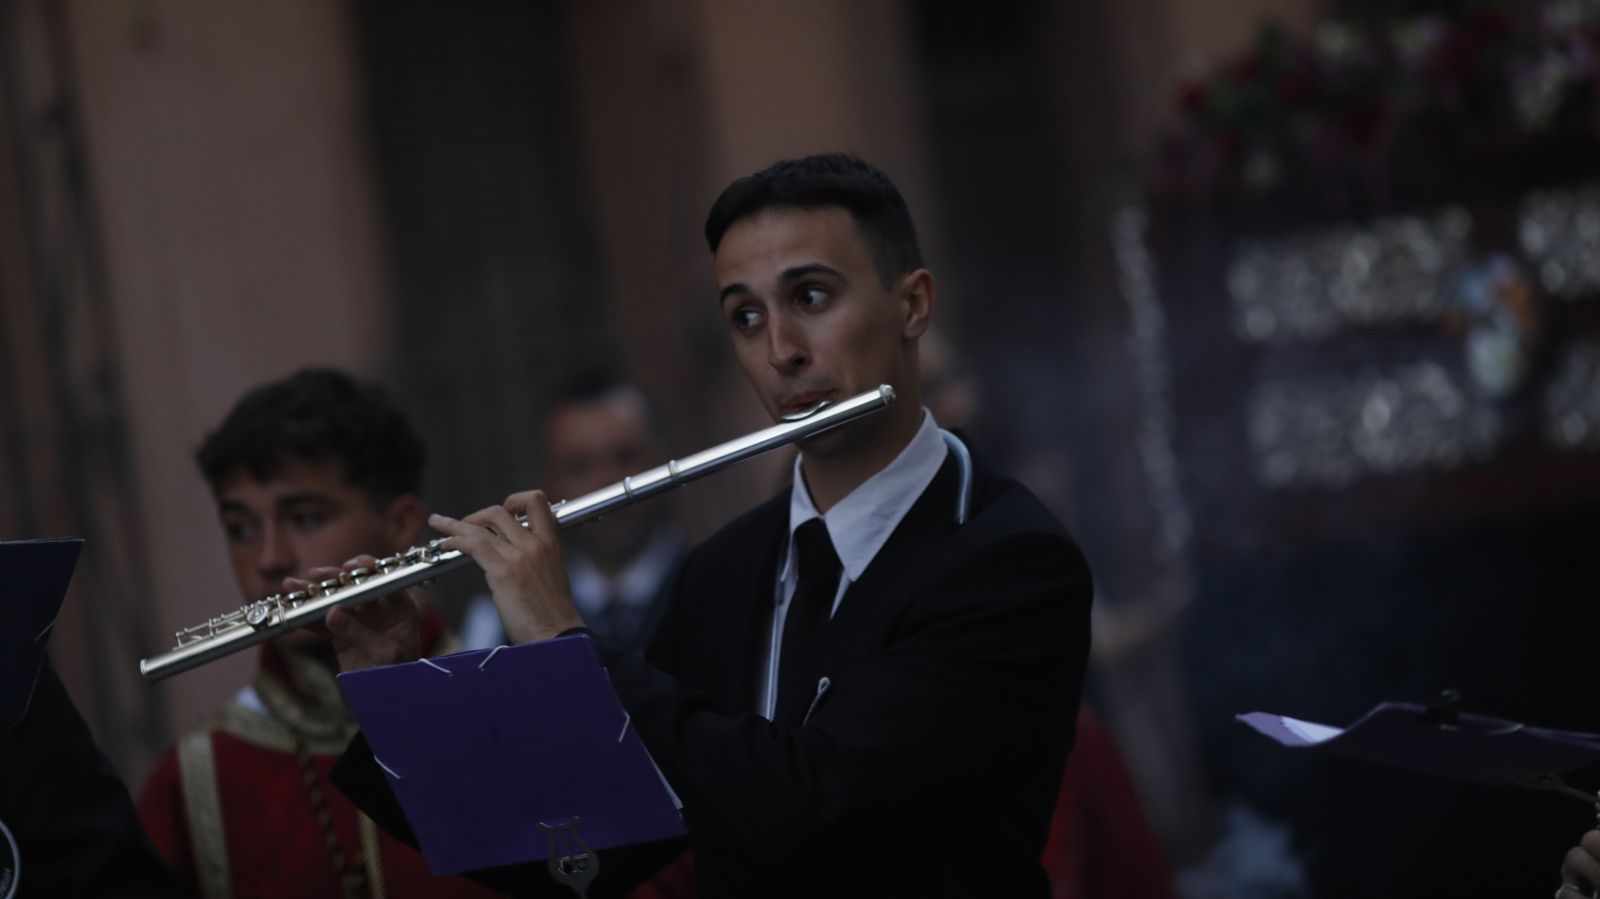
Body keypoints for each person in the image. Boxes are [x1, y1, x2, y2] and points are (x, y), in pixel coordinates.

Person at [325, 154, 1094, 897]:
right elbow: (584, 853)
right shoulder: (725, 572)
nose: (781, 352)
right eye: (746, 316)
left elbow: (808, 805)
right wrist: (397, 691)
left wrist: (569, 643)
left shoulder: (1010, 560)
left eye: (813, 298)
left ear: (913, 304)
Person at [136, 369, 497, 899]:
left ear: (400, 524)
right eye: (240, 528)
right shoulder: (196, 776)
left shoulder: (503, 712)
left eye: (304, 518)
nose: (268, 559)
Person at [460, 370, 685, 652]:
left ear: (662, 461)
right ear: (546, 483)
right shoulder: (493, 620)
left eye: (624, 457)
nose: (604, 483)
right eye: (579, 467)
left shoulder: (720, 585)